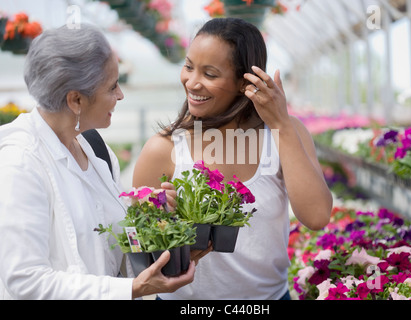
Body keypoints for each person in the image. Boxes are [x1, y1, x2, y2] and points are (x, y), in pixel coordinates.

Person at [133, 17, 333, 300]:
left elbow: (317, 216)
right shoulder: (163, 148)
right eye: (189, 66)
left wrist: (281, 124)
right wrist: (166, 224)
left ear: (245, 82)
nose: (192, 82)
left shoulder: (285, 133)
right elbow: (141, 251)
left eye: (210, 74)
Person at [0, 24, 195, 300]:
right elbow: (25, 279)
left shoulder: (94, 148)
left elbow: (105, 245)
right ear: (76, 100)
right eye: (112, 86)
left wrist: (142, 213)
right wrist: (132, 289)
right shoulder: (20, 162)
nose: (120, 95)